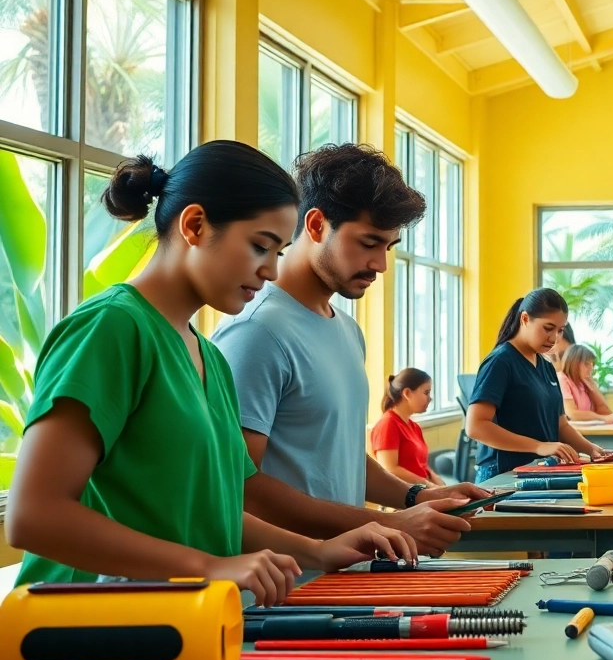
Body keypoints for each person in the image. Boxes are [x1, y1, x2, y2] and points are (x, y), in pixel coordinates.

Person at [4, 144, 413, 605]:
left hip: (184, 629)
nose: (271, 270)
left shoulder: (209, 357)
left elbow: (219, 511)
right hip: (87, 634)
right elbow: (33, 515)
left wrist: (318, 551)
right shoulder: (111, 327)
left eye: (278, 251)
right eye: (260, 246)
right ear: (195, 225)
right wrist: (211, 567)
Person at [214, 144, 489, 558]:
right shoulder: (257, 331)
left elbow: (339, 457)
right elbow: (240, 488)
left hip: (340, 580)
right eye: (368, 242)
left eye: (389, 247)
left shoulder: (346, 329)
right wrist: (389, 523)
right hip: (277, 593)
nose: (380, 263)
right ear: (316, 223)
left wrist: (417, 496)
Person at [466, 289, 613, 482]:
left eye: (560, 330)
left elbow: (561, 425)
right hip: (503, 475)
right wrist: (539, 446)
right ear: (524, 319)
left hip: (538, 472)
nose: (554, 338)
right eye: (548, 328)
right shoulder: (501, 362)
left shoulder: (546, 366)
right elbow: (476, 426)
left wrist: (592, 449)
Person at [372, 368, 447, 487]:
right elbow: (389, 469)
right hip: (405, 496)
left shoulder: (414, 427)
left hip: (421, 490)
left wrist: (439, 484)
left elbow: (421, 466)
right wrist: (427, 485)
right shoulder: (387, 424)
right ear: (407, 393)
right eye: (426, 393)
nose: (430, 398)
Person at [558, 344, 613, 424]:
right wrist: (605, 418)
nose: (591, 369)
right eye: (587, 364)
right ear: (574, 364)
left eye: (592, 365)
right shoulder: (562, 379)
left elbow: (605, 411)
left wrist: (593, 386)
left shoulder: (583, 381)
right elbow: (572, 413)